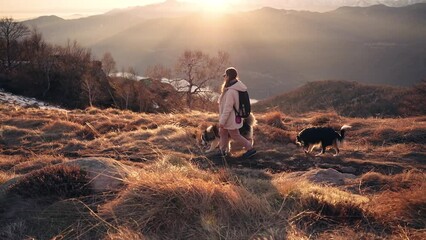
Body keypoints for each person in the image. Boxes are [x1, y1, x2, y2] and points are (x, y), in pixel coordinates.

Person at [217, 67, 256, 158]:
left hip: (230, 118)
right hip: (229, 117)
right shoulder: (234, 87)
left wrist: (222, 121)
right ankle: (222, 151)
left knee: (235, 135)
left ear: (228, 76)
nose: (224, 78)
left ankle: (250, 148)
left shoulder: (231, 91)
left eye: (225, 76)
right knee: (222, 132)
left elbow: (228, 108)